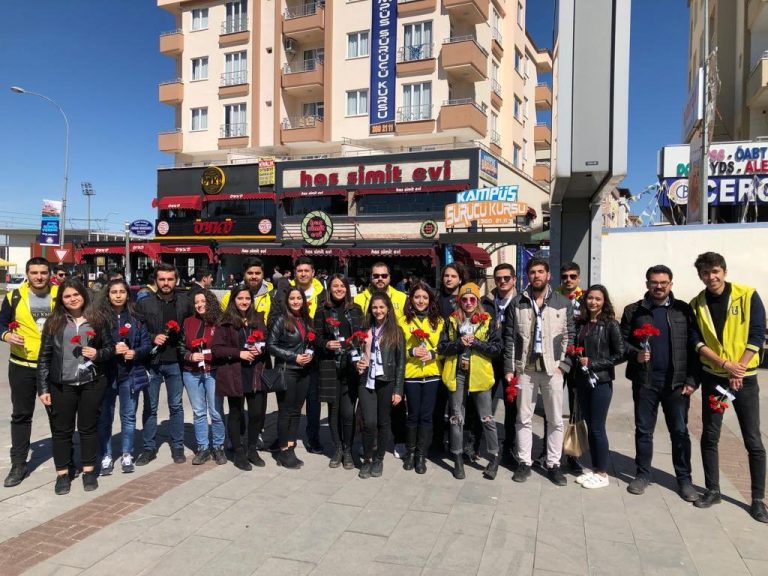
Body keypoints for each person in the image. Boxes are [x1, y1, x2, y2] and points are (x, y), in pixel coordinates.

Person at [689, 252, 768, 522]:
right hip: (715, 377)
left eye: (715, 271)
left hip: (745, 378)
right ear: (700, 276)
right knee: (710, 435)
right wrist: (725, 365)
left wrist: (739, 368)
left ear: (724, 271)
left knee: (753, 439)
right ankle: (713, 490)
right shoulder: (697, 304)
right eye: (706, 273)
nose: (711, 277)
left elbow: (757, 333)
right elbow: (697, 342)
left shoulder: (747, 295)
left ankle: (757, 500)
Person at [620, 265, 700, 502]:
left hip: (676, 383)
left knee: (680, 432)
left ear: (671, 284)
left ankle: (684, 479)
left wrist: (692, 380)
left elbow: (694, 346)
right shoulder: (634, 310)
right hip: (645, 382)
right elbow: (621, 342)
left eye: (663, 283)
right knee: (644, 430)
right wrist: (635, 353)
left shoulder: (683, 310)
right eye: (654, 282)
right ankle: (642, 474)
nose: (659, 286)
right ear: (647, 284)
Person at [36, 279, 114, 494]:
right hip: (62, 385)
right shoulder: (54, 322)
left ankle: (89, 471)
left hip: (92, 383)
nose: (72, 299)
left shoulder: (97, 319)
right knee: (62, 431)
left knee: (88, 429)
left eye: (76, 294)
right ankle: (63, 474)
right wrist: (43, 388)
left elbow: (110, 348)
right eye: (67, 296)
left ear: (83, 295)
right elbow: (44, 357)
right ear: (61, 299)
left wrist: (98, 354)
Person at [504, 257, 574, 486]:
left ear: (548, 275)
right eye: (533, 272)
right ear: (528, 276)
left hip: (553, 368)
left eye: (541, 272)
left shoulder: (562, 302)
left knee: (555, 418)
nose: (537, 276)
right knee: (523, 417)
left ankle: (553, 464)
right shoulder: (518, 303)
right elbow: (510, 338)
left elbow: (569, 335)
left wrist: (563, 365)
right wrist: (510, 368)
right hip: (525, 369)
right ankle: (524, 462)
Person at [0, 257, 59, 487]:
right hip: (21, 365)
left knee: (58, 414)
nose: (39, 277)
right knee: (21, 415)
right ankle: (19, 464)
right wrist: (6, 335)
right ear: (27, 274)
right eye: (34, 272)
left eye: (43, 272)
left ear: (49, 273)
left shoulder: (61, 295)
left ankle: (64, 460)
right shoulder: (14, 296)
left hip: (53, 365)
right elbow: (1, 323)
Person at [439, 282, 502, 480]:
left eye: (472, 299)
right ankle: (457, 458)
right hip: (457, 373)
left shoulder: (488, 320)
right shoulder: (451, 320)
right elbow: (442, 347)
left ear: (477, 301)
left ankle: (494, 456)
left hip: (480, 374)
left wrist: (477, 342)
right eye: (464, 299)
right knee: (456, 418)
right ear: (459, 301)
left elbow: (496, 349)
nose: (468, 303)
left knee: (486, 417)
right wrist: (459, 343)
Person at [136, 262, 192, 465]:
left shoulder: (185, 302)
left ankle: (177, 446)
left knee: (176, 406)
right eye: (162, 279)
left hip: (176, 361)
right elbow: (138, 331)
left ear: (176, 280)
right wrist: (153, 337)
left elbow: (192, 328)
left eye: (170, 279)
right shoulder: (145, 303)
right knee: (150, 407)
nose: (166, 283)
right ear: (156, 280)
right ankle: (149, 448)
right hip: (152, 362)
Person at [570, 285, 625, 489]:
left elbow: (620, 354)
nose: (593, 302)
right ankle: (595, 469)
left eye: (598, 299)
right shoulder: (581, 323)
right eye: (590, 298)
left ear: (604, 302)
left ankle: (602, 473)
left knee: (597, 427)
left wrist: (594, 363)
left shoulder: (610, 324)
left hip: (601, 381)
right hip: (582, 381)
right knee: (589, 425)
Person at [96, 279, 152, 475]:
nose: (118, 295)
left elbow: (147, 345)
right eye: (114, 292)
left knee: (128, 416)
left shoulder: (136, 318)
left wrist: (135, 353)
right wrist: (112, 350)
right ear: (108, 295)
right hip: (107, 374)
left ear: (128, 295)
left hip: (129, 374)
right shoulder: (99, 318)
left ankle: (127, 453)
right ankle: (106, 455)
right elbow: (94, 346)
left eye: (122, 292)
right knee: (105, 417)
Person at [355, 262, 408, 457]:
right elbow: (357, 336)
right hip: (369, 367)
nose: (380, 279)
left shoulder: (402, 297)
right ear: (370, 277)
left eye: (383, 276)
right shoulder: (359, 298)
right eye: (376, 275)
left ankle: (399, 441)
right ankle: (371, 443)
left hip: (391, 355)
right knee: (368, 414)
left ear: (389, 277)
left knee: (393, 410)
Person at [213, 284, 269, 470]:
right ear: (233, 300)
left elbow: (266, 341)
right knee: (236, 413)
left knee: (256, 413)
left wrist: (260, 348)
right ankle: (238, 451)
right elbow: (216, 349)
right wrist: (239, 353)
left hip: (255, 372)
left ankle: (251, 448)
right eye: (240, 298)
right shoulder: (225, 321)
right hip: (235, 372)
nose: (244, 302)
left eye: (247, 298)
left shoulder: (257, 319)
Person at [538, 262, 586, 473]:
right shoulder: (552, 297)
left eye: (572, 276)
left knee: (576, 408)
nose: (568, 280)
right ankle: (547, 451)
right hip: (556, 359)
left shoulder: (586, 298)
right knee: (551, 406)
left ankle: (573, 453)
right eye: (565, 276)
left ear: (579, 278)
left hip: (578, 359)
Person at [313, 274, 364, 469]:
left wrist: (355, 346)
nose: (339, 289)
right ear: (329, 289)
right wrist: (326, 343)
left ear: (347, 289)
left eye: (342, 286)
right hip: (330, 365)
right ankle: (338, 449)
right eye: (335, 286)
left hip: (351, 366)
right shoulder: (322, 310)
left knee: (348, 412)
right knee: (333, 411)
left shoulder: (356, 309)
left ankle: (349, 449)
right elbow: (315, 337)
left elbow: (361, 335)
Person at [267, 286, 315, 469]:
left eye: (299, 298)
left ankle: (291, 446)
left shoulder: (306, 320)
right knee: (285, 411)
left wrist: (310, 354)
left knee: (296, 411)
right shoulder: (281, 320)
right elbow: (271, 345)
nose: (296, 301)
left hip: (304, 371)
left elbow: (310, 342)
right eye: (292, 298)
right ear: (287, 301)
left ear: (303, 300)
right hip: (287, 370)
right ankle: (283, 450)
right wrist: (293, 357)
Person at [399, 281, 443, 474]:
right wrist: (412, 351)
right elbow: (396, 348)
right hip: (412, 374)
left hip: (432, 374)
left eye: (425, 297)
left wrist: (433, 354)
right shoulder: (403, 321)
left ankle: (421, 456)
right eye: (417, 297)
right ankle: (410, 453)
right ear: (411, 299)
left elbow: (445, 348)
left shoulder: (439, 321)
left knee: (426, 417)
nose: (421, 301)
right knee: (412, 415)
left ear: (430, 300)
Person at [182, 289, 226, 466]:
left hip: (213, 371)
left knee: (215, 411)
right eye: (196, 302)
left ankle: (218, 446)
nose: (199, 305)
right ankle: (203, 447)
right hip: (192, 372)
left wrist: (210, 355)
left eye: (203, 301)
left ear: (210, 302)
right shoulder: (188, 322)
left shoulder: (219, 322)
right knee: (199, 412)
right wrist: (189, 356)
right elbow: (180, 346)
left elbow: (225, 347)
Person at [479, 263, 517, 465]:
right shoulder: (485, 302)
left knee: (512, 407)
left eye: (506, 278)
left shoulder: (521, 302)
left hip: (512, 361)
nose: (502, 281)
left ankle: (509, 447)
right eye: (499, 278)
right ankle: (478, 444)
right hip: (489, 360)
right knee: (483, 402)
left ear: (514, 280)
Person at [434, 263, 468, 454]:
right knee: (438, 403)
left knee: (458, 404)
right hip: (440, 354)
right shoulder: (436, 298)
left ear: (460, 279)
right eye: (446, 275)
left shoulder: (466, 299)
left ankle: (460, 443)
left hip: (461, 356)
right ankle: (437, 442)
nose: (449, 279)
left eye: (453, 276)